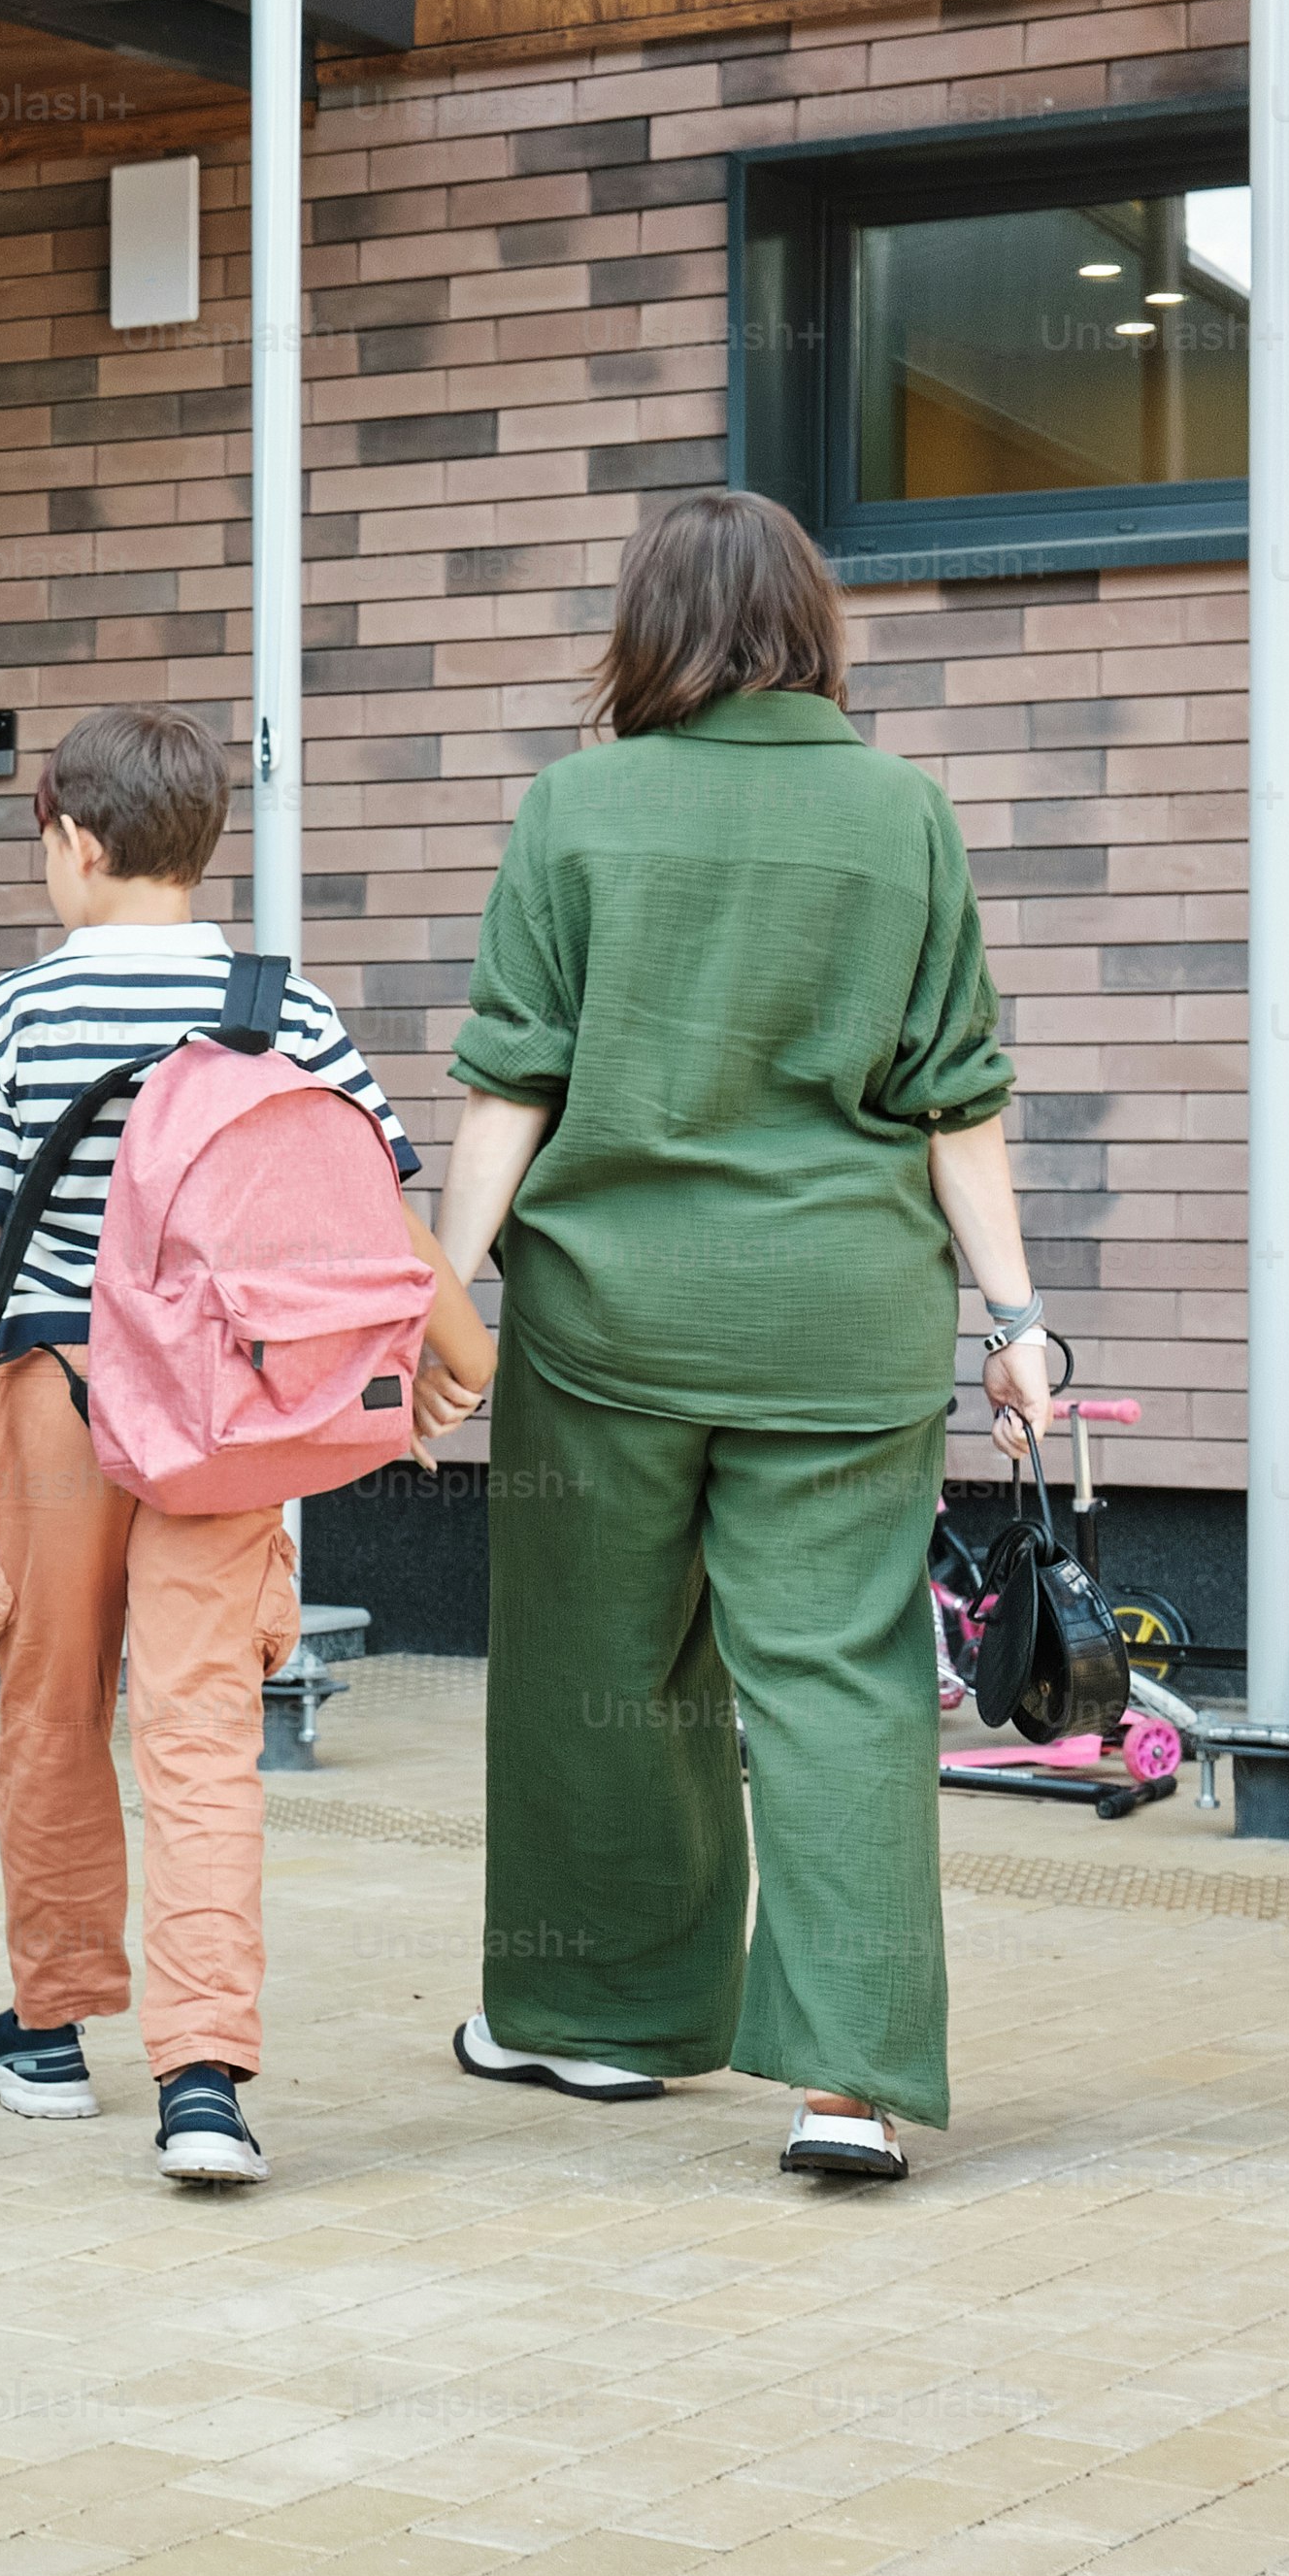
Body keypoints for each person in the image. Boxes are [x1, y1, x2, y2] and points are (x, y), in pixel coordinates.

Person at [432, 489, 1053, 2184]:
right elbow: (959, 1104)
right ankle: (843, 2083)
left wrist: (444, 1288)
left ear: (648, 626)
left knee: (598, 1668)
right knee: (844, 1681)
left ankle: (604, 2024)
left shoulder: (576, 807)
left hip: (608, 1323)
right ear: (808, 621)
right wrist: (1020, 1321)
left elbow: (511, 1076)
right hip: (841, 1325)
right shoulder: (901, 814)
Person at [0, 704, 493, 2191]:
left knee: (52, 1710)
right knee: (202, 1738)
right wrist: (463, 1363)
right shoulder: (290, 1009)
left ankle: (55, 2029)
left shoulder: (15, 1012)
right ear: (199, 845)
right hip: (225, 1416)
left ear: (74, 839)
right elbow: (380, 1219)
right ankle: (204, 2084)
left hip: (63, 1402)